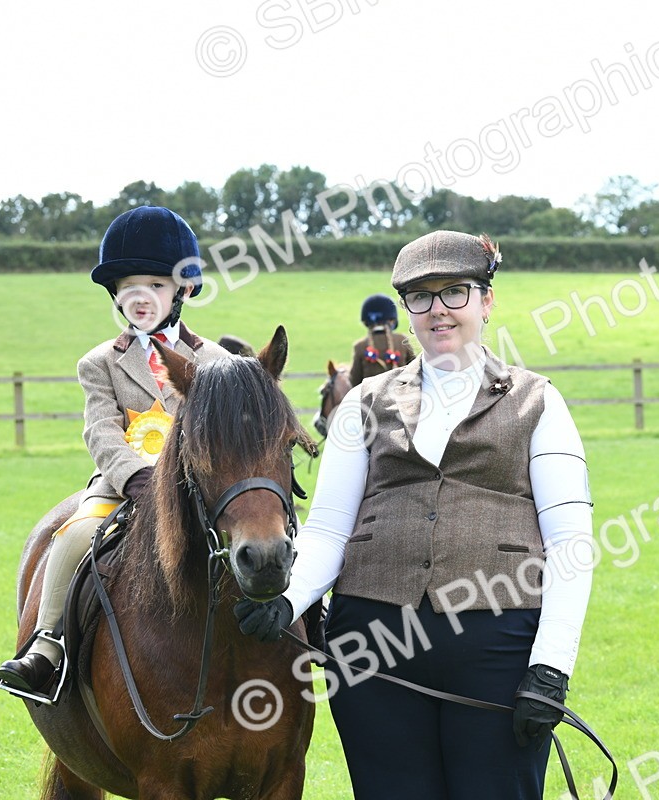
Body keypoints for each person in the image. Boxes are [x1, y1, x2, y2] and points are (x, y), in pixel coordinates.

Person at [235, 230, 595, 799]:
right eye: (421, 297)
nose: (438, 310)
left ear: (486, 299)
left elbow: (571, 542)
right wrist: (287, 600)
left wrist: (551, 668)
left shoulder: (539, 401)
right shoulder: (362, 402)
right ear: (407, 310)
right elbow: (330, 528)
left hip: (498, 644)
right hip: (371, 646)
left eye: (455, 292)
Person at [0, 206, 230, 694]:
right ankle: (48, 645)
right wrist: (136, 478)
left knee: (261, 528)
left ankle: (307, 618)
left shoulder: (216, 361)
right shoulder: (99, 363)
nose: (140, 297)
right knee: (74, 535)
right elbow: (100, 430)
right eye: (129, 286)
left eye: (155, 284)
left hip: (202, 485)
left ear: (183, 289)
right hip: (126, 484)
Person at [349, 293, 415, 386]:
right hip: (404, 398)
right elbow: (415, 371)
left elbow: (354, 381)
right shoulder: (402, 340)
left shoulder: (360, 346)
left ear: (366, 321)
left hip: (370, 400)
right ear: (392, 320)